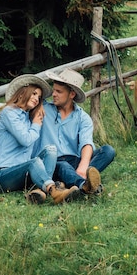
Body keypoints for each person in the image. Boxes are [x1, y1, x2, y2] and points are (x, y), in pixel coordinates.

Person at [0, 74, 81, 204]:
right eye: (33, 94)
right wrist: (37, 124)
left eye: (38, 97)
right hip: (3, 175)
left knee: (51, 149)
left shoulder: (27, 117)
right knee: (34, 162)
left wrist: (39, 111)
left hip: (22, 174)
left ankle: (40, 191)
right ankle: (53, 191)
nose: (36, 99)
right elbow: (26, 140)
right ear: (22, 93)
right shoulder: (8, 113)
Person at [33, 68, 116, 197]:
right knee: (63, 165)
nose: (54, 94)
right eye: (54, 90)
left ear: (72, 94)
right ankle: (84, 185)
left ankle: (71, 182)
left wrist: (83, 166)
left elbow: (86, 143)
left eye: (59, 92)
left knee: (108, 151)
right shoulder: (43, 109)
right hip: (51, 163)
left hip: (74, 161)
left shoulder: (83, 117)